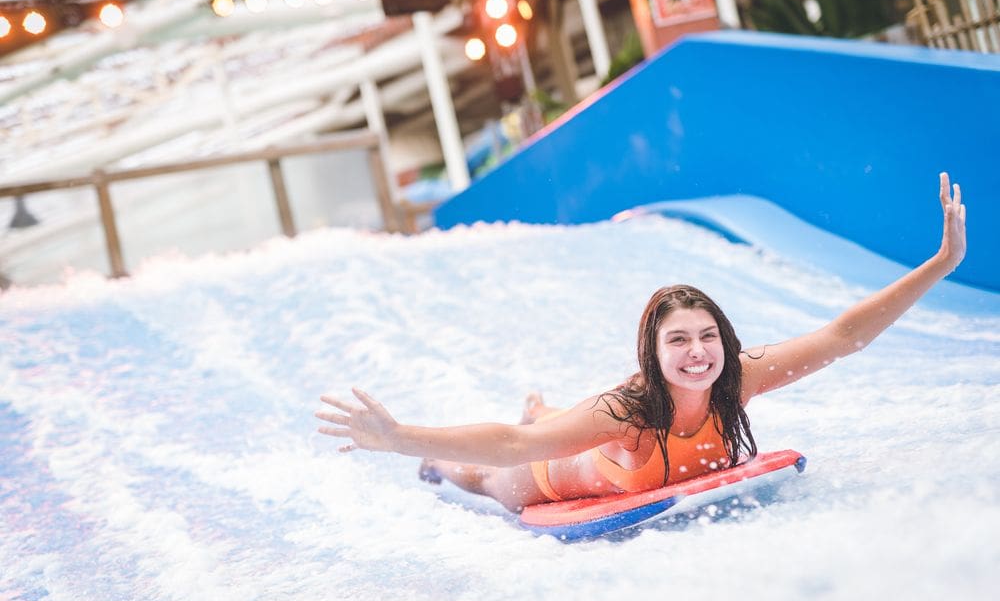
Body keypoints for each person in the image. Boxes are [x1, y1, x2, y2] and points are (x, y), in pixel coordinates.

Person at [316, 173, 967, 512]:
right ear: (652, 357)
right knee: (485, 474)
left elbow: (842, 335)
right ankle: (476, 447)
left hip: (579, 442)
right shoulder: (629, 411)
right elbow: (515, 449)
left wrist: (938, 265)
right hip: (545, 480)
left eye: (708, 337)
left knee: (549, 422)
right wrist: (405, 441)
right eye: (678, 341)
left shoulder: (736, 378)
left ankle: (542, 408)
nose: (697, 353)